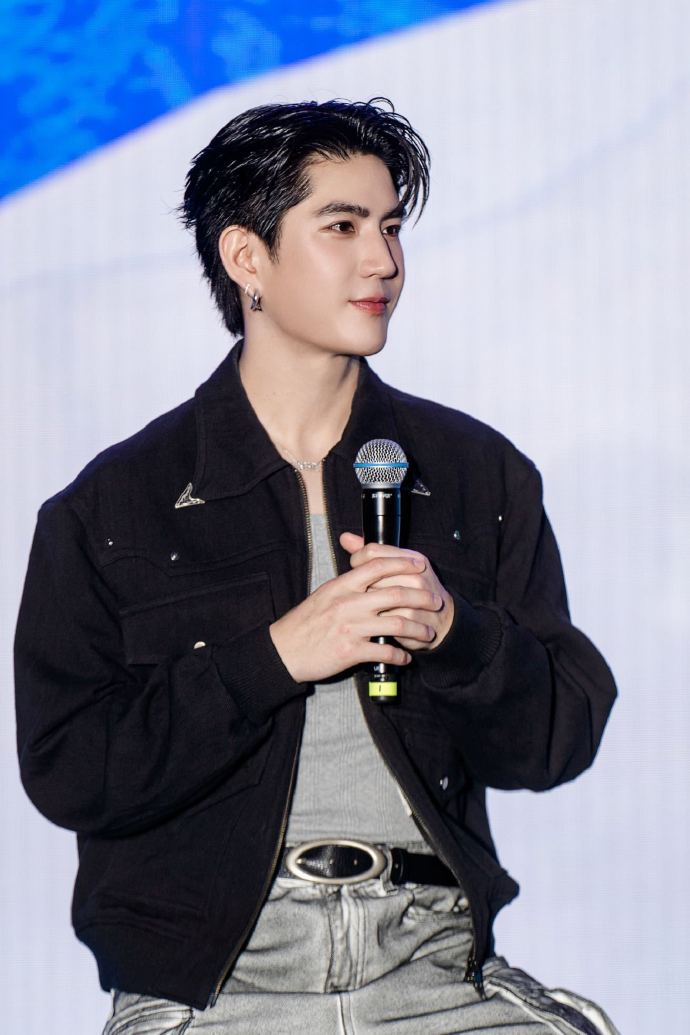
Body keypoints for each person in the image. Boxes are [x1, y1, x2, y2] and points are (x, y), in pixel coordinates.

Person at [14, 99, 619, 1034]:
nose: (383, 260)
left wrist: (456, 634)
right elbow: (71, 771)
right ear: (246, 258)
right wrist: (274, 657)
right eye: (342, 227)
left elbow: (558, 740)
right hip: (214, 987)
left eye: (391, 227)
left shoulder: (479, 474)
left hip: (433, 966)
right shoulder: (111, 507)